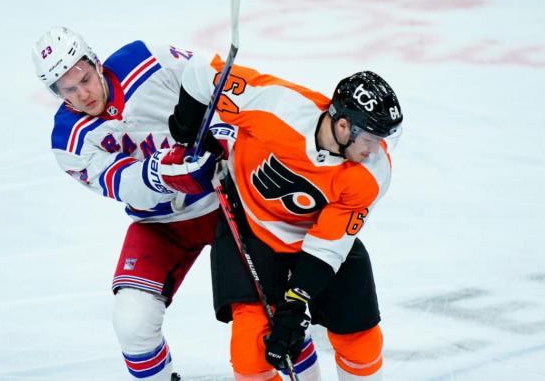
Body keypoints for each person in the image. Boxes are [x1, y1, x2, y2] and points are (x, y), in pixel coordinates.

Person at [162, 55, 403, 380]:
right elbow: (201, 74)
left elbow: (328, 244)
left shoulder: (371, 173)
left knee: (362, 342)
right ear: (343, 125)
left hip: (313, 240)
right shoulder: (276, 107)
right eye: (370, 139)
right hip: (251, 227)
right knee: (251, 357)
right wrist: (187, 130)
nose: (376, 150)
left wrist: (296, 302)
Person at [31, 27, 233, 381]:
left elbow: (212, 84)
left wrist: (223, 137)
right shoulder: (68, 140)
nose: (83, 94)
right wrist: (164, 173)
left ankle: (319, 322)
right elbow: (125, 184)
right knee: (131, 322)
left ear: (95, 62)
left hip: (226, 202)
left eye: (85, 79)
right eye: (68, 90)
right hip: (161, 225)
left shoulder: (145, 61)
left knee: (276, 300)